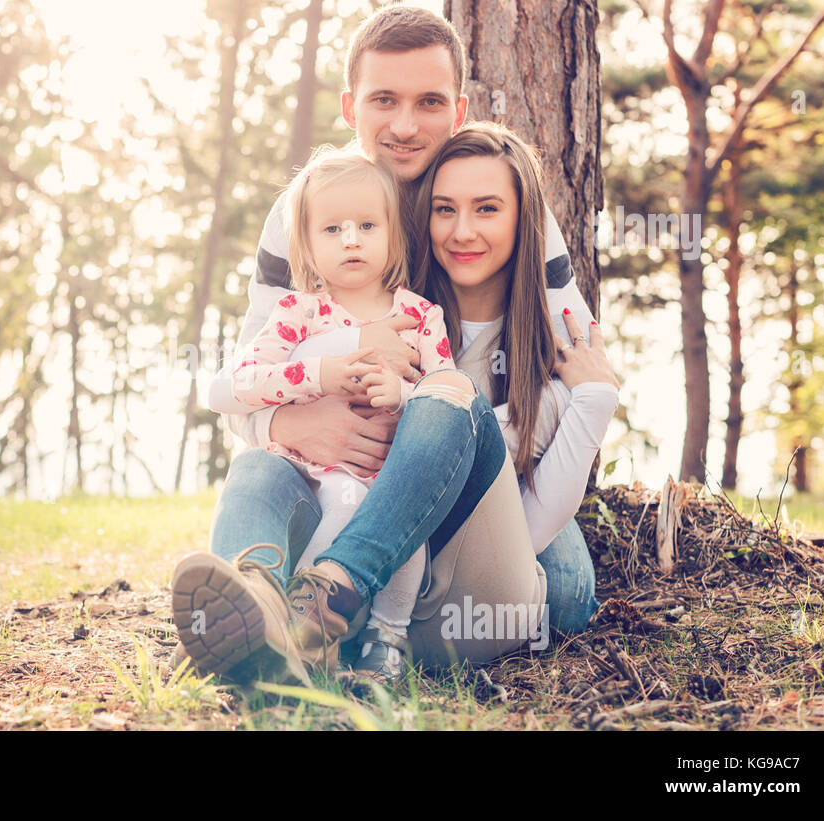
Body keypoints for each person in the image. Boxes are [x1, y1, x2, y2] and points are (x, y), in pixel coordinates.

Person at [169, 5, 619, 686]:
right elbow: (246, 377)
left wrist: (443, 422)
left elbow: (571, 367)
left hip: (480, 483)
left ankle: (330, 608)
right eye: (384, 100)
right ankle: (256, 624)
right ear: (351, 106)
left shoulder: (500, 195)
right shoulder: (313, 207)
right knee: (257, 474)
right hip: (338, 476)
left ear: (459, 109)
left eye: (429, 102)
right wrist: (287, 419)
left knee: (562, 591)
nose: (405, 125)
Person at [226, 145, 464, 684]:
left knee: (407, 544)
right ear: (305, 245)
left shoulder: (419, 316)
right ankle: (296, 639)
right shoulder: (297, 313)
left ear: (393, 235)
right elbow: (242, 382)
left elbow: (447, 396)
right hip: (311, 478)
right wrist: (320, 374)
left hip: (393, 481)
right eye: (331, 229)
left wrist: (403, 394)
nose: (351, 238)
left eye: (365, 225)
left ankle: (387, 640)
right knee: (321, 526)